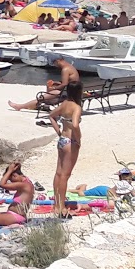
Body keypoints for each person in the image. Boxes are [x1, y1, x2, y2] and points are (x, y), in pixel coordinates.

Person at [46, 81, 84, 218]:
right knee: (65, 175)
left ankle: (56, 204)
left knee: (58, 173)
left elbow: (51, 116)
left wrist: (59, 132)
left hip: (62, 140)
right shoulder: (76, 107)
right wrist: (78, 138)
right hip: (71, 142)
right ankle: (61, 207)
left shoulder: (64, 104)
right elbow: (75, 124)